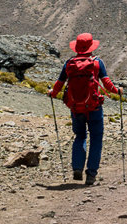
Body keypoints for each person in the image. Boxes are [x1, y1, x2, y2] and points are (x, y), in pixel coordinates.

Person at [49, 33, 122, 185]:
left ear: (76, 47)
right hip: (94, 107)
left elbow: (59, 83)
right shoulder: (97, 63)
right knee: (96, 139)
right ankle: (91, 174)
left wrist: (52, 93)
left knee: (80, 136)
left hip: (76, 108)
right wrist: (118, 91)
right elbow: (107, 83)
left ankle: (77, 167)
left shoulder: (69, 64)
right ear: (91, 47)